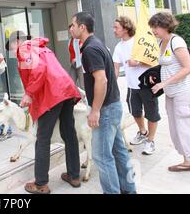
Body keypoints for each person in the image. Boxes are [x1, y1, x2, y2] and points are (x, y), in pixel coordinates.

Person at [7, 31, 82, 194]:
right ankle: (74, 176)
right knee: (69, 134)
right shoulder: (42, 48)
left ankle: (41, 183)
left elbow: (39, 70)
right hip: (66, 91)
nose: (13, 51)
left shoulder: (25, 48)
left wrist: (29, 93)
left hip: (53, 95)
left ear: (18, 41)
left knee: (42, 139)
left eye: (12, 45)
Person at [70, 12, 136, 194]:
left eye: (73, 25)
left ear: (82, 27)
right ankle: (129, 189)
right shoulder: (97, 44)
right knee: (119, 152)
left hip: (105, 109)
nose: (71, 28)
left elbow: (102, 80)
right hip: (113, 105)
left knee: (101, 156)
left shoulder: (90, 49)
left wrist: (95, 110)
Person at [148, 12, 190, 172]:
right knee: (176, 127)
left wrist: (164, 82)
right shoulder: (162, 41)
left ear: (165, 25)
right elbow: (167, 65)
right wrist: (157, 78)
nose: (153, 30)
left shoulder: (176, 41)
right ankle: (187, 158)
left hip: (183, 91)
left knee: (184, 126)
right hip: (171, 92)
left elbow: (189, 67)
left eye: (155, 26)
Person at [112, 16, 160, 155]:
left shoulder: (139, 41)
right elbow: (115, 67)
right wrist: (112, 86)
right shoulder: (118, 47)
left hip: (147, 86)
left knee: (151, 114)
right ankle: (143, 131)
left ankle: (150, 141)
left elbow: (154, 61)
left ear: (126, 28)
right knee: (135, 112)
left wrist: (137, 63)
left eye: (116, 28)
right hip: (132, 86)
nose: (114, 30)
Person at [68, 24, 84, 89]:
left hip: (80, 64)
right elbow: (71, 52)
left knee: (83, 85)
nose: (71, 32)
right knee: (71, 83)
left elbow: (83, 51)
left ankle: (86, 98)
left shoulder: (80, 39)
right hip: (73, 65)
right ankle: (75, 98)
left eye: (72, 31)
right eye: (70, 31)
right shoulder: (70, 40)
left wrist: (77, 59)